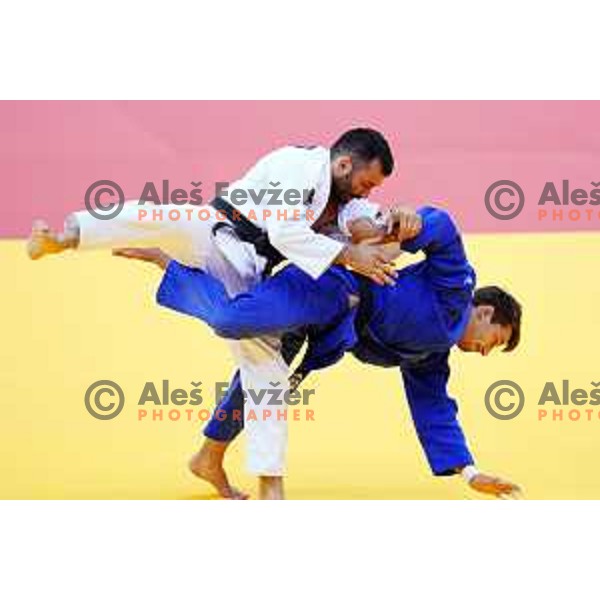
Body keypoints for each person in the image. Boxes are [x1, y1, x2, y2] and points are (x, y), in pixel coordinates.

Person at [26, 128, 397, 500]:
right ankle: (65, 236)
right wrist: (350, 255)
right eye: (366, 183)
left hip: (252, 273)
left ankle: (268, 482)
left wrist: (400, 220)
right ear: (344, 164)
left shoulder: (348, 198)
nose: (367, 192)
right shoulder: (298, 165)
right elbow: (285, 233)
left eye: (373, 189)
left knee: (268, 376)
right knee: (166, 215)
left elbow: (373, 223)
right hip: (217, 232)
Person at [116, 205, 523, 499]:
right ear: (485, 312)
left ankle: (208, 456)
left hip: (329, 332)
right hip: (331, 285)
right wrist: (412, 225)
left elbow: (435, 411)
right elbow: (445, 230)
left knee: (263, 382)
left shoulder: (433, 356)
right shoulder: (456, 291)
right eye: (495, 340)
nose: (486, 353)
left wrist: (471, 473)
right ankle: (171, 267)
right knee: (232, 321)